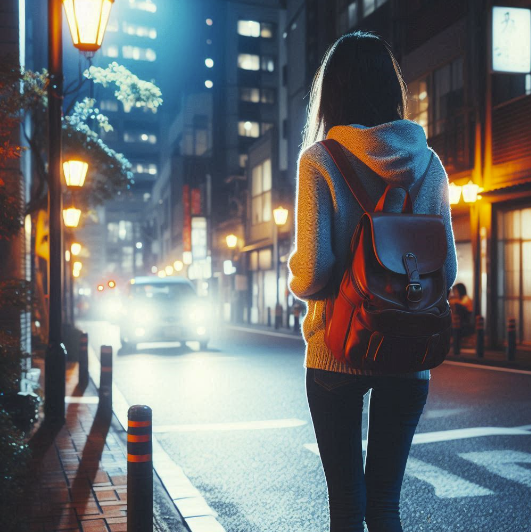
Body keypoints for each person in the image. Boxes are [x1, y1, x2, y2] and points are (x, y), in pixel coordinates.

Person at [287, 31, 458, 532]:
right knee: (385, 505)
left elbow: (313, 272)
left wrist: (296, 273)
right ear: (391, 88)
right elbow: (443, 273)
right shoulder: (428, 163)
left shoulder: (320, 160)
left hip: (336, 348)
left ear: (333, 92)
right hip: (408, 351)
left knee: (346, 507)